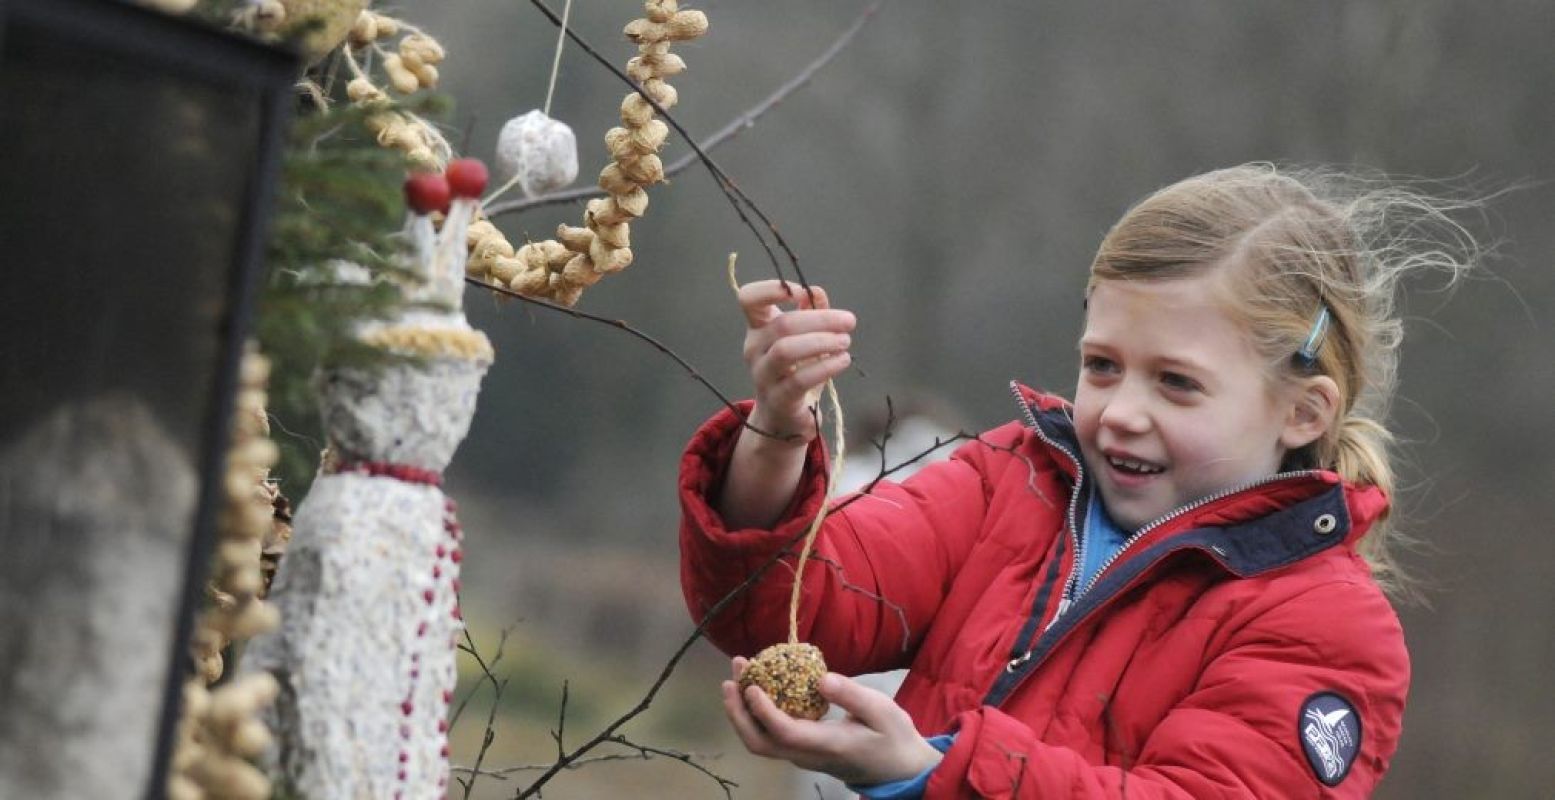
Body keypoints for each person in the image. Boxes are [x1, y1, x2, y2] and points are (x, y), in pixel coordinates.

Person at [677, 164, 1478, 797]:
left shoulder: (1328, 626)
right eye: (1102, 366)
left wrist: (929, 773)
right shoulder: (1010, 482)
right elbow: (790, 607)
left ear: (1302, 412)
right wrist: (778, 435)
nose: (1121, 412)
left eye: (1176, 383)